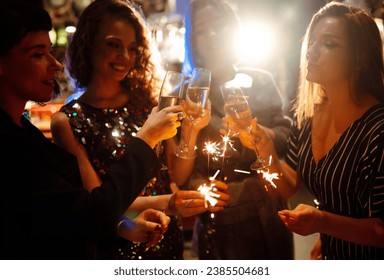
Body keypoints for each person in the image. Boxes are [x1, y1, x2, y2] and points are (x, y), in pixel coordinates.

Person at [0, 0, 180, 260]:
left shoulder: (25, 131)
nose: (56, 64)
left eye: (51, 51)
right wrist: (147, 138)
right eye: (38, 54)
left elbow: (74, 214)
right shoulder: (12, 146)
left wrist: (123, 225)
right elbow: (93, 210)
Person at [51, 0, 230, 260]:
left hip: (167, 237)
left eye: (132, 48)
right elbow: (98, 206)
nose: (125, 56)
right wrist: (167, 202)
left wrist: (192, 129)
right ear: (88, 43)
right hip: (117, 246)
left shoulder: (148, 102)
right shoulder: (68, 122)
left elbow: (178, 175)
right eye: (114, 44)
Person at [242, 2, 384, 259]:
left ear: (359, 58)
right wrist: (265, 149)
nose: (311, 52)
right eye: (312, 42)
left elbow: (380, 229)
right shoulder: (308, 115)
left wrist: (322, 223)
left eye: (328, 44)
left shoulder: (377, 131)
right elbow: (287, 187)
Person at [182, 0, 294, 259]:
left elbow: (287, 137)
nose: (211, 35)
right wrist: (200, 186)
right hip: (219, 215)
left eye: (219, 26)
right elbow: (181, 165)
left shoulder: (260, 79)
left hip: (266, 208)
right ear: (193, 39)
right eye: (202, 29)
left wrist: (254, 131)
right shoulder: (189, 93)